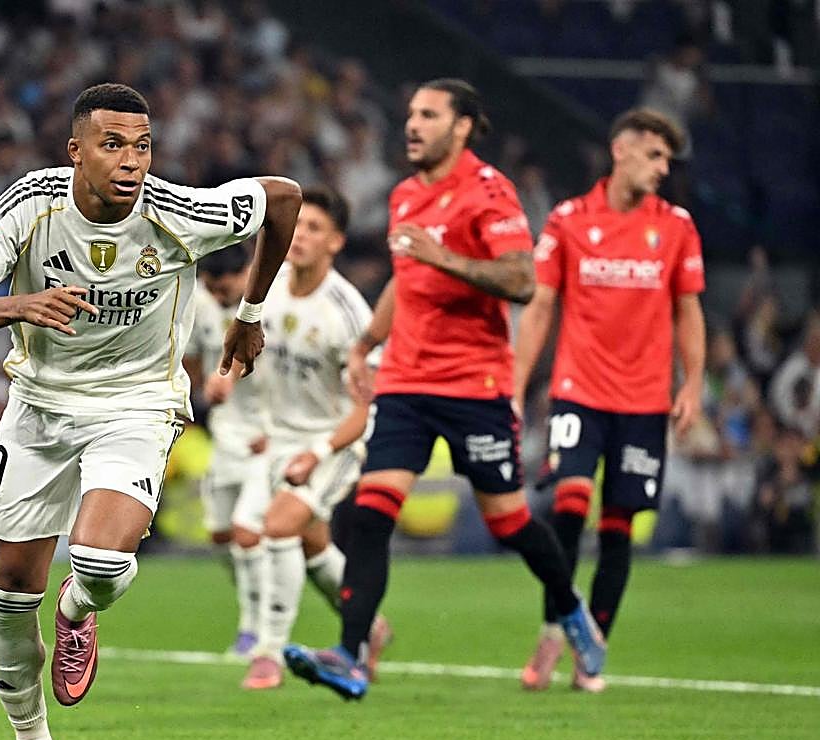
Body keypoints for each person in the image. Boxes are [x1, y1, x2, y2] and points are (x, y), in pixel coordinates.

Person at [0, 83, 301, 740]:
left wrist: (251, 312)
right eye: (112, 144)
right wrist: (19, 303)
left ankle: (77, 611)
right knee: (8, 587)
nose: (131, 160)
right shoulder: (31, 204)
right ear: (76, 151)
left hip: (135, 404)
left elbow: (282, 198)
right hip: (38, 411)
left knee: (97, 560)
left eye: (142, 145)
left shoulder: (179, 211)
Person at [282, 78, 605, 701]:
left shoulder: (489, 192)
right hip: (405, 381)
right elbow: (406, 283)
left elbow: (521, 281)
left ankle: (570, 609)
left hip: (473, 386)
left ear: (461, 127)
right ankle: (350, 656)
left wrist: (445, 257)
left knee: (509, 524)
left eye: (428, 115)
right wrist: (364, 343)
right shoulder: (404, 195)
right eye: (410, 114)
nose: (412, 124)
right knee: (371, 515)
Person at [512, 108, 706, 693]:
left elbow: (688, 309)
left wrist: (692, 382)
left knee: (618, 528)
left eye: (668, 159)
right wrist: (517, 386)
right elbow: (541, 306)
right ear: (621, 150)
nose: (663, 167)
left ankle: (590, 647)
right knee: (568, 509)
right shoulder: (570, 220)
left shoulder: (675, 226)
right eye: (655, 155)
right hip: (579, 393)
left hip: (645, 402)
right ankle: (554, 631)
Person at [226, 186, 391, 690]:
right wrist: (230, 385)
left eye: (314, 229)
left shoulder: (348, 314)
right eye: (296, 226)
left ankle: (269, 653)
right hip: (277, 438)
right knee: (290, 540)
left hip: (334, 442)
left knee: (279, 526)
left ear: (336, 242)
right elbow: (253, 358)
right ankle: (370, 626)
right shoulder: (266, 291)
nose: (299, 237)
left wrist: (316, 453)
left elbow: (364, 411)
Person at [183, 245, 268, 659]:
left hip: (266, 438)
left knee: (245, 532)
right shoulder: (199, 304)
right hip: (226, 436)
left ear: (246, 274)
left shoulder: (270, 303)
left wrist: (277, 429)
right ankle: (257, 604)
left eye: (226, 288)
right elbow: (193, 361)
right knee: (220, 534)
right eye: (211, 290)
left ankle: (255, 627)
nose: (218, 298)